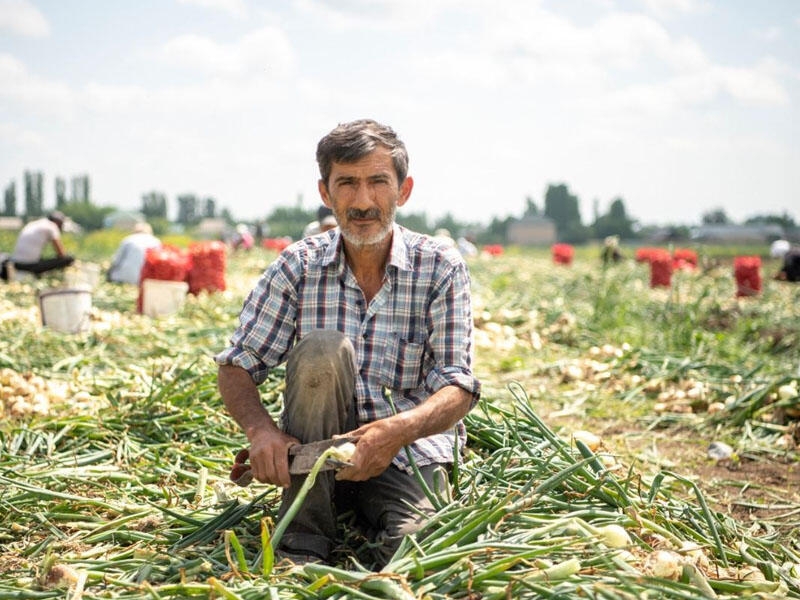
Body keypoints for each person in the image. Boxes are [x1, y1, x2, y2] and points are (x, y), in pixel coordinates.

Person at [215, 119, 481, 567]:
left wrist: (397, 431)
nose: (362, 201)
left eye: (378, 182)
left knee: (418, 551)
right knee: (324, 349)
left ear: (404, 190)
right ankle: (303, 537)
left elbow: (458, 384)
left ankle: (369, 516)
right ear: (325, 192)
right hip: (313, 457)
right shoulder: (299, 265)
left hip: (406, 452)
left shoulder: (439, 267)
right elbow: (237, 363)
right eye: (347, 184)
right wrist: (261, 431)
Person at [4, 211, 75, 279]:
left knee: (43, 259)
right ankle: (59, 279)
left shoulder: (35, 223)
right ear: (58, 222)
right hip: (29, 265)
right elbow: (61, 254)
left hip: (16, 263)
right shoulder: (52, 226)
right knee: (68, 259)